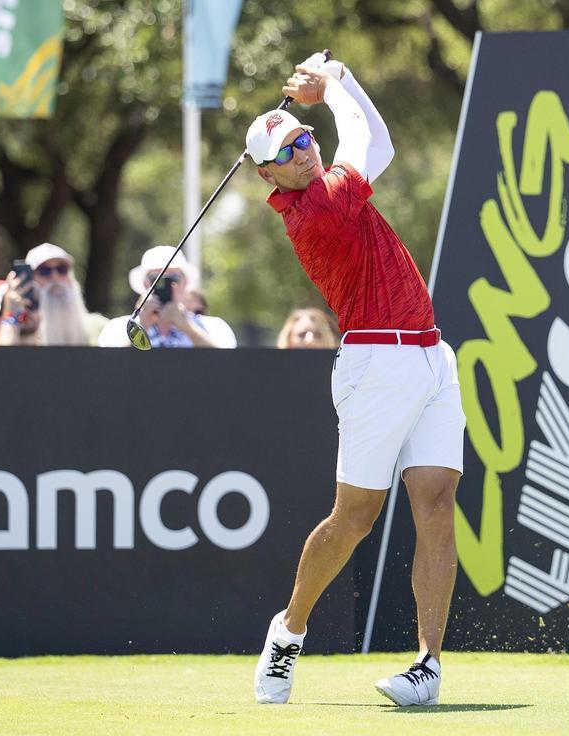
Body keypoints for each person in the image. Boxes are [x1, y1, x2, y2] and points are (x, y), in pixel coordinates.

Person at [248, 54, 465, 707]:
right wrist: (332, 86)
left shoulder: (331, 182)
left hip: (430, 354)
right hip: (376, 361)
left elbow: (382, 142)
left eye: (305, 135)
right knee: (354, 520)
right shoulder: (314, 211)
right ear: (268, 174)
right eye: (288, 149)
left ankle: (427, 666)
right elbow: (366, 140)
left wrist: (345, 81)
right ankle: (288, 631)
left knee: (435, 507)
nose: (305, 151)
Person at [98, 246, 237, 348]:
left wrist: (187, 327)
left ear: (185, 282)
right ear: (145, 284)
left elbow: (228, 367)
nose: (165, 287)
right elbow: (109, 370)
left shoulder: (213, 327)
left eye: (173, 279)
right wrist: (141, 326)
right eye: (155, 280)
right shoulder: (118, 328)